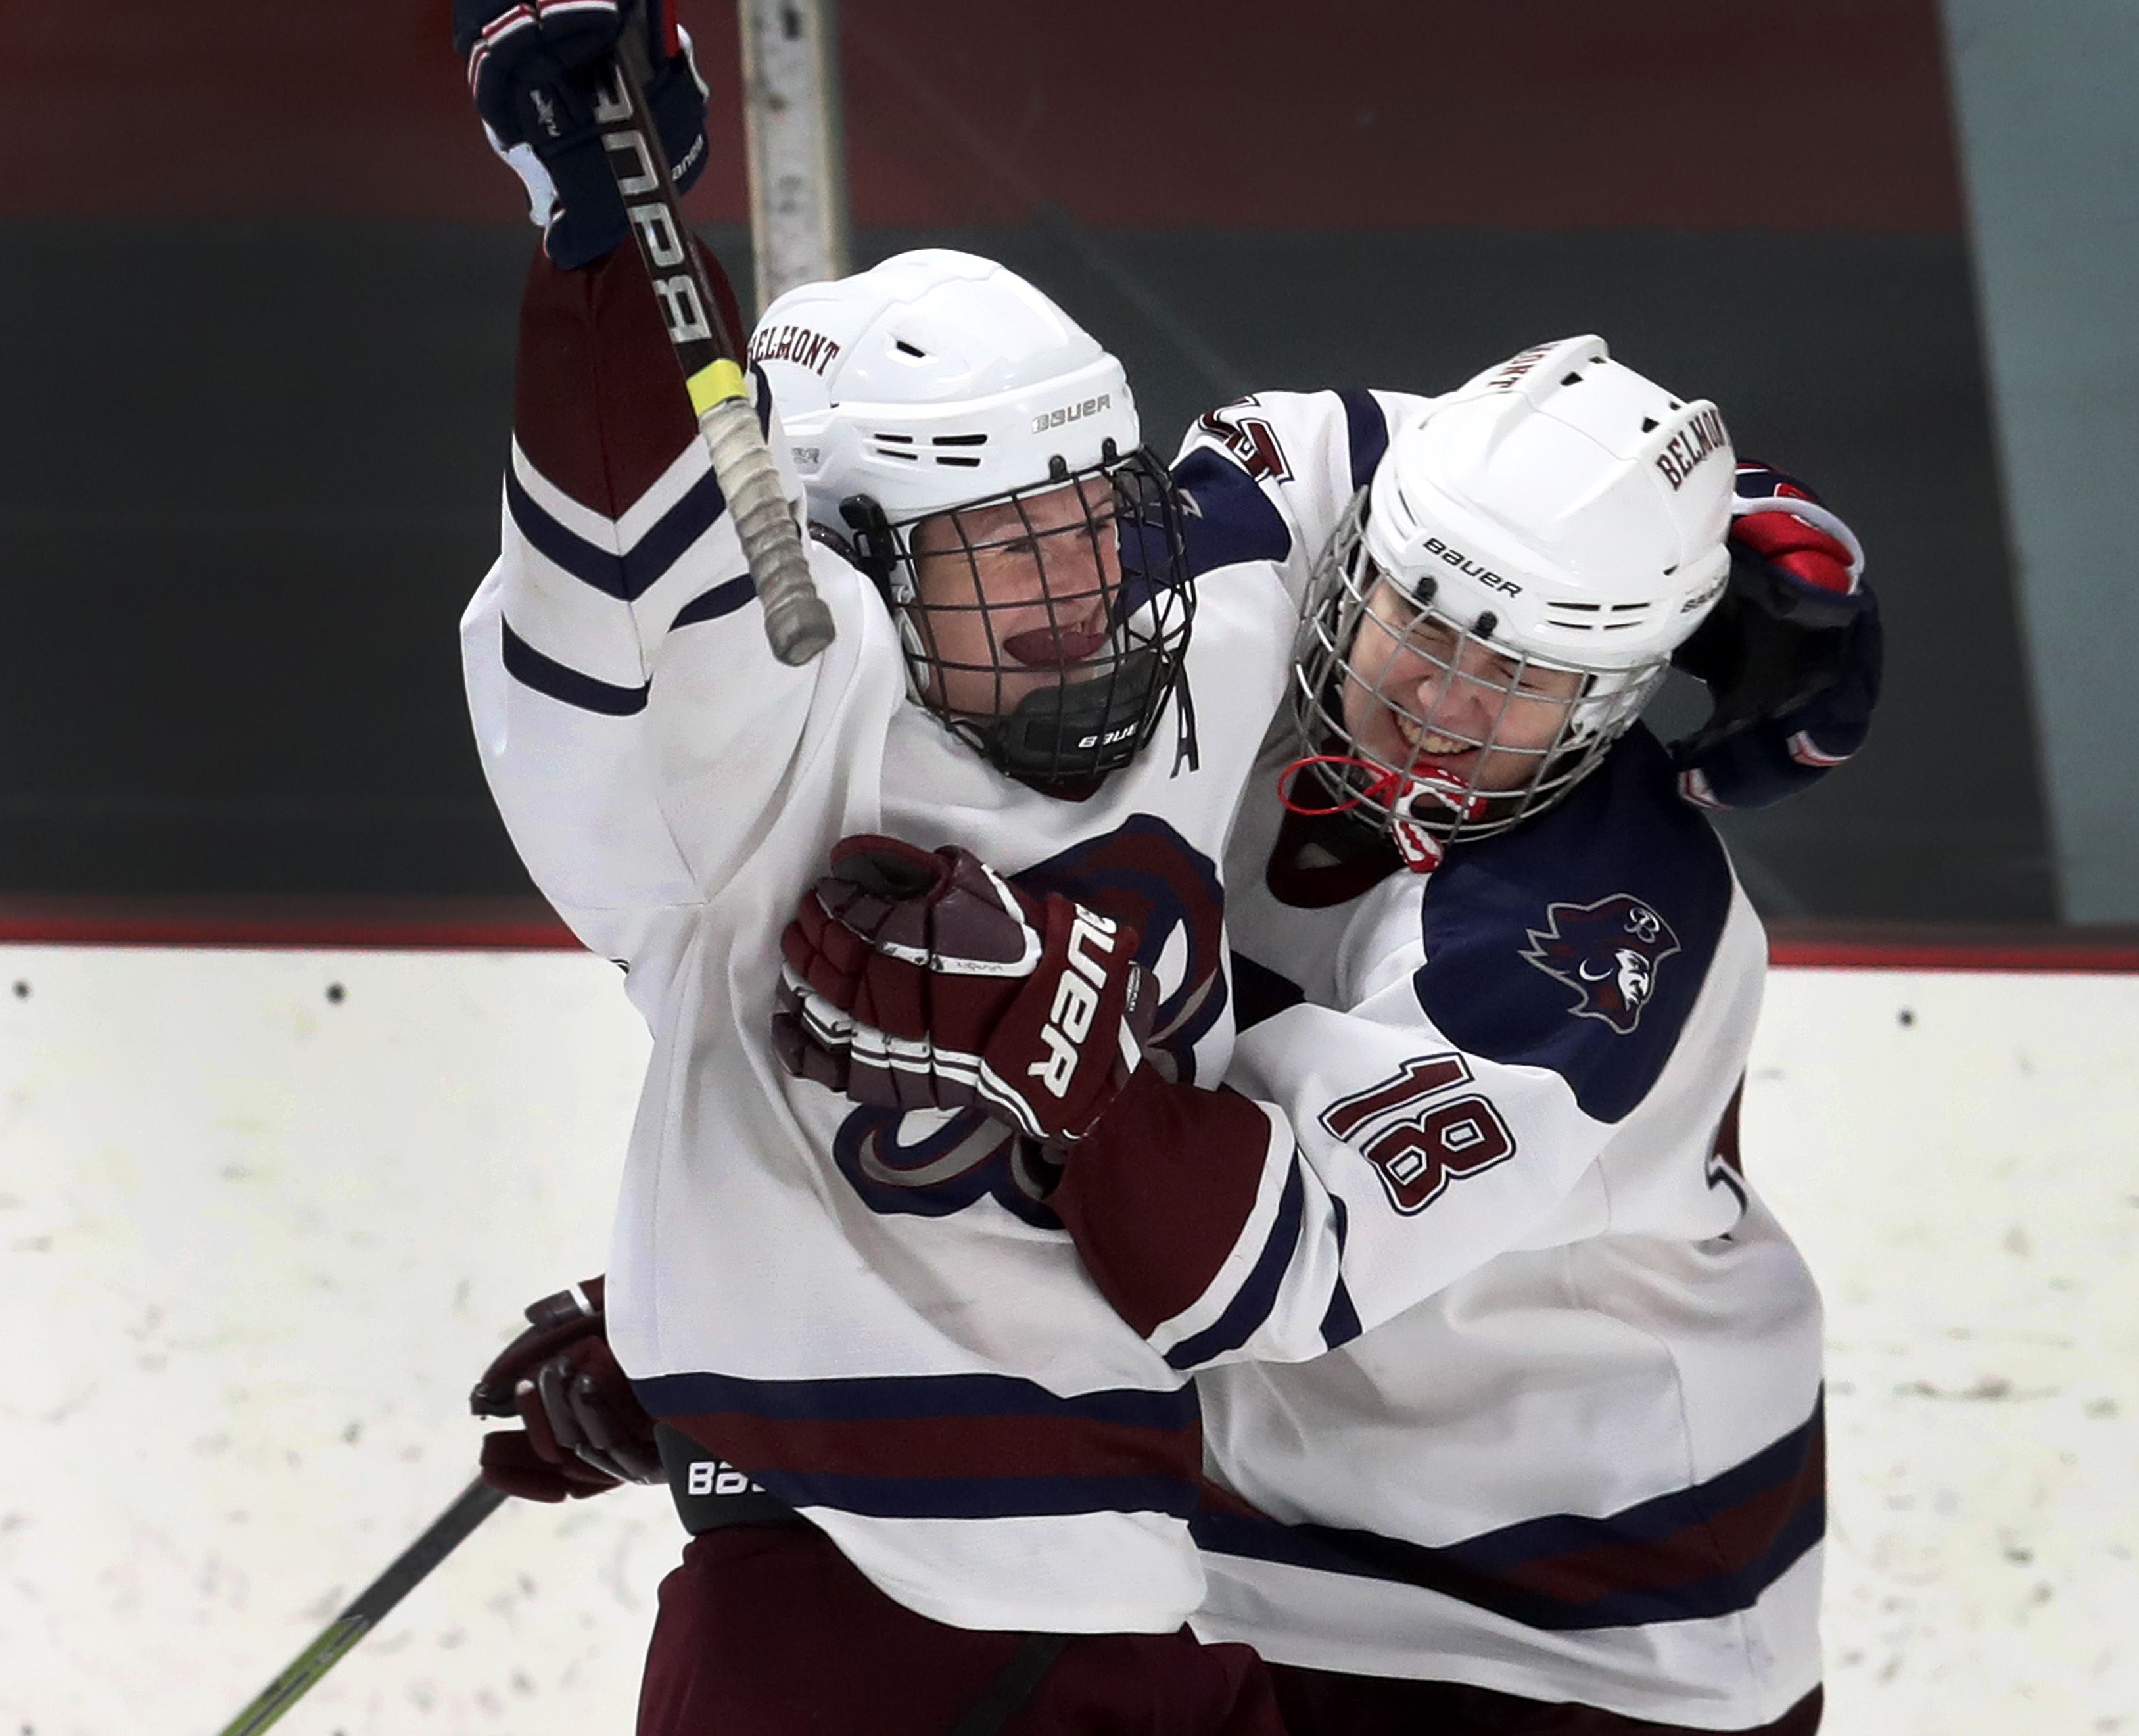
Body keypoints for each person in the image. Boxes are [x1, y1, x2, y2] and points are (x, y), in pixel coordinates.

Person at [776, 336, 1875, 1734]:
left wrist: (1044, 1034)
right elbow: (1338, 442)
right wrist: (739, 1329)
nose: (1442, 703)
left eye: (1520, 677)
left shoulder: (1588, 941)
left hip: (1588, 1640)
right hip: (1232, 1569)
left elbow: (1244, 1268)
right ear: (1361, 556)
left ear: (1613, 697)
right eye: (1423, 622)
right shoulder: (1306, 539)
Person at [449, 3, 1292, 1729]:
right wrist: (605, 239)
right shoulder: (750, 751)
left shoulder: (1200, 637)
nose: (1072, 582)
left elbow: (1389, 494)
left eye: (1085, 515)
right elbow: (631, 562)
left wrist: (1694, 534)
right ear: (843, 556)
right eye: (1003, 540)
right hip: (837, 1630)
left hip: (1156, 1606)